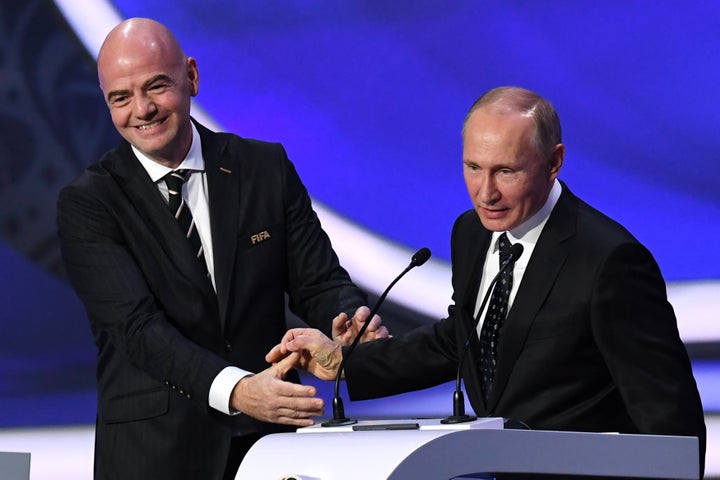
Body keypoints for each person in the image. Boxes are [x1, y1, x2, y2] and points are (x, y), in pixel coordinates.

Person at [269, 86, 707, 475]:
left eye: (505, 171)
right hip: (491, 469)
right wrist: (342, 364)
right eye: (473, 167)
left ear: (553, 162)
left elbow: (670, 421)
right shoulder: (473, 232)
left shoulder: (610, 260)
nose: (485, 192)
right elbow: (462, 340)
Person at [56, 17, 386, 480]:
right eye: (121, 98)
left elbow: (319, 281)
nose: (143, 109)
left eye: (156, 86)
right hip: (153, 454)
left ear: (190, 75)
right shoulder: (90, 202)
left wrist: (347, 320)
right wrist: (237, 390)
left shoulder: (263, 168)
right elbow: (137, 329)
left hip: (267, 448)